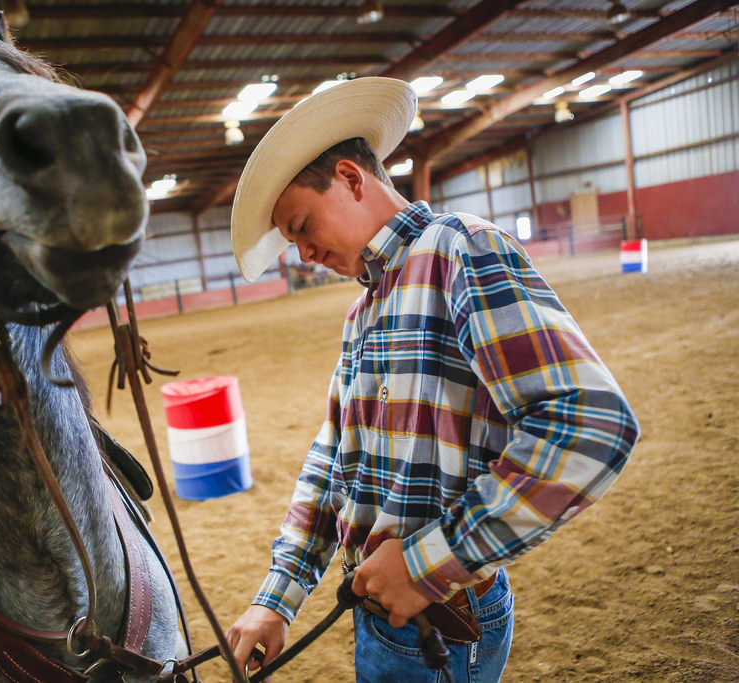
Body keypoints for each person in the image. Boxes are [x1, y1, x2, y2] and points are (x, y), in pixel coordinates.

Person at [225, 77, 639, 682]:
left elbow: (590, 423)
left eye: (302, 224)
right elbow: (334, 460)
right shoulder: (364, 312)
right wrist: (276, 597)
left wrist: (426, 563)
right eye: (293, 242)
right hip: (389, 617)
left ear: (349, 177)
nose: (304, 253)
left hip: (439, 615)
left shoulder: (460, 250)